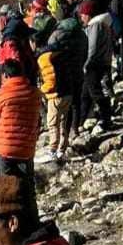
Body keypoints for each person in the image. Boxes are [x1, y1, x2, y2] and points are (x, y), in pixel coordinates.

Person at [0, 60, 41, 180]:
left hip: (4, 148)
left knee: (5, 190)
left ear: (5, 75)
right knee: (27, 189)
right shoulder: (35, 93)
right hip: (26, 148)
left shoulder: (1, 94)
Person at [46, 9, 87, 158]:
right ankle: (74, 129)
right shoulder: (82, 35)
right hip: (78, 73)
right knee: (75, 104)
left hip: (62, 79)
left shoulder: (57, 35)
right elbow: (85, 54)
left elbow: (49, 54)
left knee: (58, 114)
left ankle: (55, 145)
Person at [77, 0, 114, 131]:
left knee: (94, 93)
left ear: (89, 14)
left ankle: (107, 118)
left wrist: (86, 64)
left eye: (83, 14)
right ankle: (81, 122)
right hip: (102, 62)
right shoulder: (104, 24)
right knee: (86, 94)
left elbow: (92, 48)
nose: (81, 17)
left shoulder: (95, 25)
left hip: (93, 65)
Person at [37, 35, 72, 162]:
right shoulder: (61, 54)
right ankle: (62, 149)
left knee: (52, 123)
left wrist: (40, 91)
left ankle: (52, 150)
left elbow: (51, 82)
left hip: (56, 95)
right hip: (68, 92)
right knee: (63, 121)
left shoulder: (44, 59)